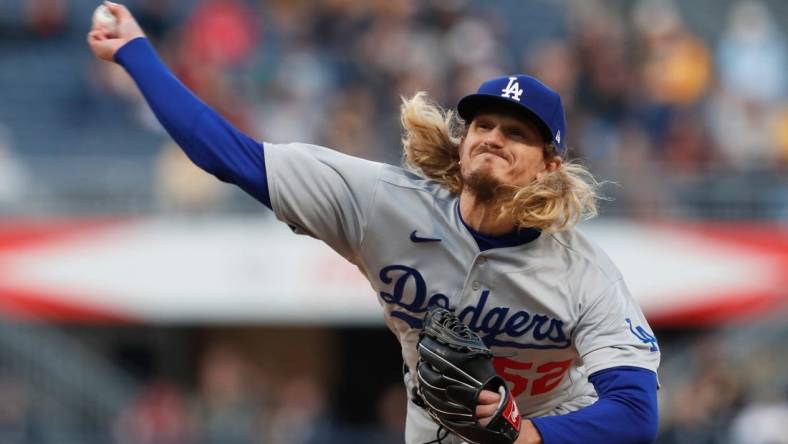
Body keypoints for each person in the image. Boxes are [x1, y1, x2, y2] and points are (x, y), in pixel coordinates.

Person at [88, 3, 660, 443]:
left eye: (516, 133)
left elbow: (634, 413)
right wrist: (137, 52)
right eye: (483, 125)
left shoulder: (583, 273)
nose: (493, 138)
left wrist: (531, 432)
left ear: (550, 165)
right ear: (462, 145)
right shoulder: (384, 203)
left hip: (550, 430)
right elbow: (229, 155)